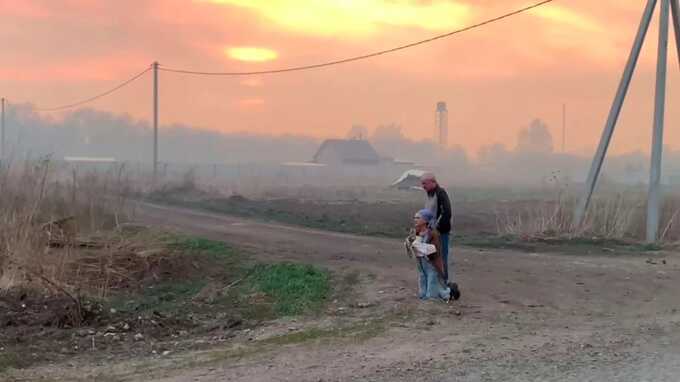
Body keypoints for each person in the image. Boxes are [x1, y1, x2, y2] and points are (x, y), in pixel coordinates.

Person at [420, 172, 461, 300]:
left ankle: (445, 286)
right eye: (422, 184)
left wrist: (437, 228)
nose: (423, 186)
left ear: (433, 182)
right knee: (431, 259)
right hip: (430, 232)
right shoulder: (430, 194)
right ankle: (435, 287)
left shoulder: (440, 193)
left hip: (440, 233)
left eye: (424, 183)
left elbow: (446, 213)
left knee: (440, 259)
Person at [406, 209, 453, 302]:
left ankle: (441, 294)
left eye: (418, 218)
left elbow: (433, 250)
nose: (415, 220)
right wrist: (409, 242)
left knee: (432, 281)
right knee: (422, 278)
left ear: (425, 220)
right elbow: (412, 247)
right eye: (414, 218)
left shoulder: (433, 233)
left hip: (431, 263)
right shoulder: (416, 232)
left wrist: (416, 245)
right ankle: (423, 294)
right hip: (421, 263)